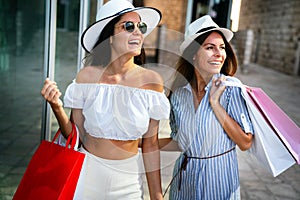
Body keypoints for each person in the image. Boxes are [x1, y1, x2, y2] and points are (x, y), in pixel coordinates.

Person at [41, 0, 170, 199]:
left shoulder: (152, 82)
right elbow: (77, 135)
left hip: (128, 182)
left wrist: (157, 195)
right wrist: (57, 107)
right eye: (128, 26)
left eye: (140, 27)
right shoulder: (87, 77)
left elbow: (150, 145)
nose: (138, 32)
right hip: (86, 175)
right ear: (109, 37)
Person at [159, 15, 254, 199]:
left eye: (222, 47)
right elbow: (180, 141)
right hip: (184, 182)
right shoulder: (178, 95)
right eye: (210, 47)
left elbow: (245, 142)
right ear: (193, 54)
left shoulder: (231, 88)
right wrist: (140, 143)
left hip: (218, 182)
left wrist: (215, 104)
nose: (219, 53)